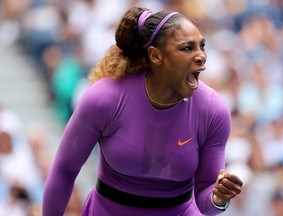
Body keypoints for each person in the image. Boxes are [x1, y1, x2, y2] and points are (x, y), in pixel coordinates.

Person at [43, 6, 243, 216]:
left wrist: (218, 198)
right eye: (187, 48)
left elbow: (205, 203)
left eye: (202, 46)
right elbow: (64, 171)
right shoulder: (105, 98)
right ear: (155, 56)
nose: (201, 56)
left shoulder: (213, 111)